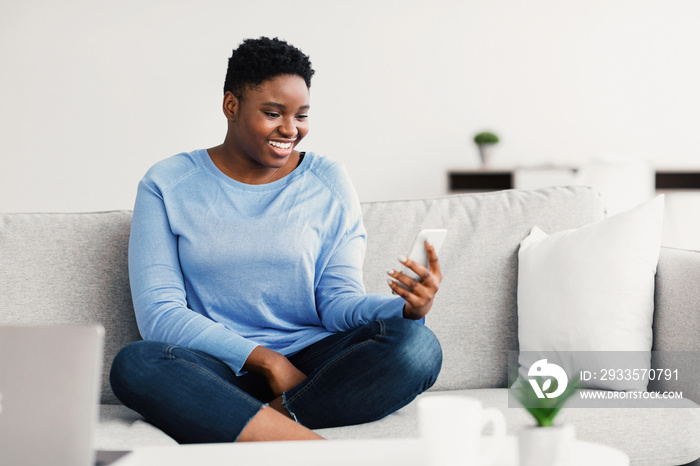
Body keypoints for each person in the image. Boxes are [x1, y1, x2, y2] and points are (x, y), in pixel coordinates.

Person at [110, 37, 443, 443]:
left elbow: (337, 303)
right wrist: (267, 361)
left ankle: (259, 424)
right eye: (272, 113)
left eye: (301, 115)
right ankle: (306, 444)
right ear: (231, 106)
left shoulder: (328, 181)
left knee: (417, 346)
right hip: (216, 367)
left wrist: (406, 308)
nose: (290, 130)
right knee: (136, 363)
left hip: (313, 366)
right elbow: (160, 315)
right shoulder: (167, 183)